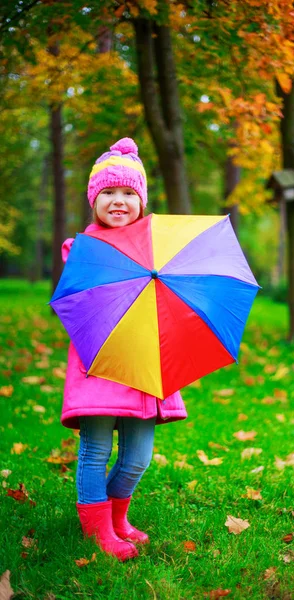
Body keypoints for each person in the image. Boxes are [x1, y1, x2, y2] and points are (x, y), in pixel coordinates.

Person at [60, 138, 187, 561]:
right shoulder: (82, 249)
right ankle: (97, 528)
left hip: (146, 361)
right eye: (109, 193)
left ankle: (117, 516)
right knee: (96, 448)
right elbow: (85, 302)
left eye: (129, 193)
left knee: (137, 456)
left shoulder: (157, 249)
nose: (119, 201)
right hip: (100, 361)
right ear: (94, 200)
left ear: (142, 200)